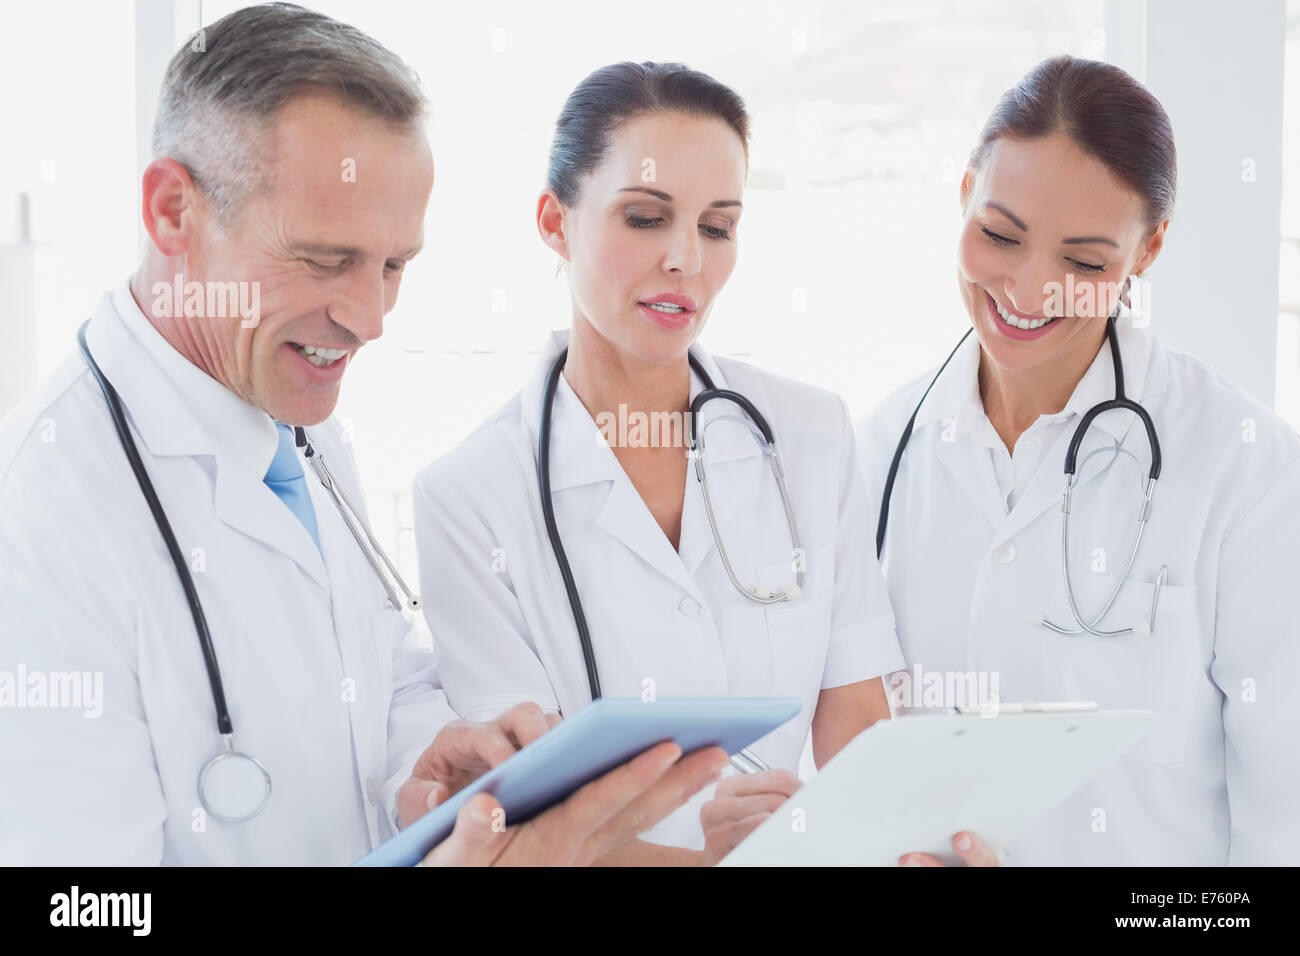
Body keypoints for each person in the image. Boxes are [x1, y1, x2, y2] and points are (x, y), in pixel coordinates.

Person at [0, 3, 726, 866]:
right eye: (324, 259)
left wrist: (426, 767)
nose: (370, 318)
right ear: (171, 212)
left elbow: (378, 680)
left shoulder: (292, 424)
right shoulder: (42, 518)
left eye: (394, 266)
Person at [411, 61, 905, 864]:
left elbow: (861, 733)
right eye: (644, 218)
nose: (686, 260)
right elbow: (520, 822)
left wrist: (836, 840)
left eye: (717, 227)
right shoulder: (468, 497)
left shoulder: (811, 435)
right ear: (553, 220)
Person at [854, 55, 1299, 866]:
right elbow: (856, 768)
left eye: (1085, 262)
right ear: (963, 194)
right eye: (999, 235)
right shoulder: (881, 449)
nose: (1029, 290)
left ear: (1149, 249)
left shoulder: (1251, 473)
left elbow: (1285, 836)